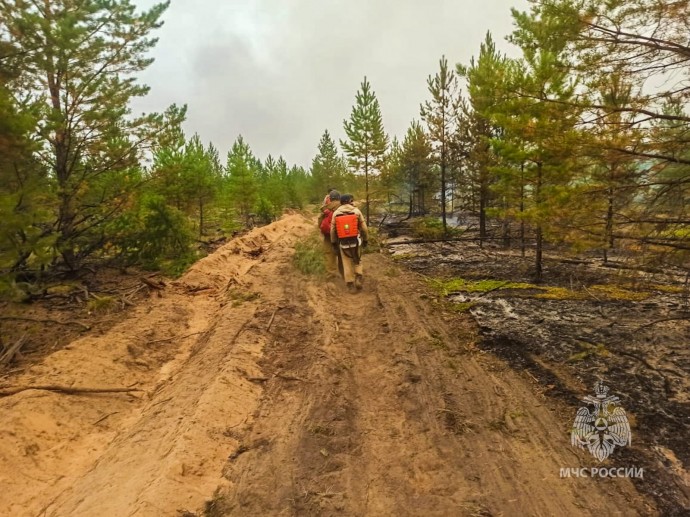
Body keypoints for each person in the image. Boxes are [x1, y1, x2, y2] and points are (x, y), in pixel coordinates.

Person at [330, 193, 368, 292]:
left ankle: (350, 284)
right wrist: (366, 239)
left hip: (343, 242)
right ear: (349, 201)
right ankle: (358, 277)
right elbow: (364, 228)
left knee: (346, 262)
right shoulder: (356, 211)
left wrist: (334, 243)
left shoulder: (336, 213)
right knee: (357, 259)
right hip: (356, 241)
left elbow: (332, 230)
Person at [317, 190, 341, 274]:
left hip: (329, 235)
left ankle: (331, 273)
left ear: (330, 198)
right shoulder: (344, 206)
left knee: (329, 253)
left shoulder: (326, 208)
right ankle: (345, 272)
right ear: (339, 197)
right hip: (343, 234)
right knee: (344, 253)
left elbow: (320, 223)